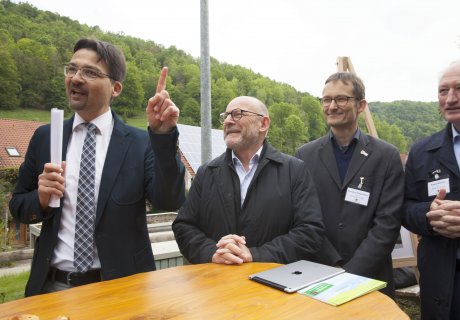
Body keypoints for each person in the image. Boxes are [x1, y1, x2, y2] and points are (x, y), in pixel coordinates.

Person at [9, 38, 185, 296]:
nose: (76, 78)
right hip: (54, 288)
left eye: (90, 72)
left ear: (115, 88)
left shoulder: (141, 143)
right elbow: (18, 207)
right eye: (71, 69)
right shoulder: (46, 137)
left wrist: (162, 135)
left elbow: (170, 200)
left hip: (121, 290)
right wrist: (41, 198)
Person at [172, 96, 324, 265]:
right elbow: (183, 226)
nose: (228, 121)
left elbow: (310, 232)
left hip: (272, 284)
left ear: (263, 124)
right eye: (226, 115)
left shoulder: (294, 170)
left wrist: (256, 255)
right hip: (216, 284)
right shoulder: (207, 172)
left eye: (238, 114)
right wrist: (213, 252)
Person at [295, 72, 404, 298]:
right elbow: (302, 217)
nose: (332, 106)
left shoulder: (386, 156)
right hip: (319, 274)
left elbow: (387, 225)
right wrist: (332, 263)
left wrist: (351, 274)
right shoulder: (304, 156)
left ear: (361, 105)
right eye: (327, 99)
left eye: (341, 99)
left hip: (372, 277)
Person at [403, 60, 460, 319]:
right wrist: (429, 213)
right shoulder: (422, 151)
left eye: (459, 88)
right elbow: (405, 207)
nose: (450, 98)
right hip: (441, 277)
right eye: (443, 91)